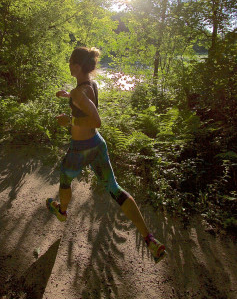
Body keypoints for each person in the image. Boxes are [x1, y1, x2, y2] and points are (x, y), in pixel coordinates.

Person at [46, 46, 166, 263]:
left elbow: (96, 119)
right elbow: (82, 100)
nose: (68, 66)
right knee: (115, 189)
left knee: (65, 180)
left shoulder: (79, 93)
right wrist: (68, 96)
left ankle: (62, 211)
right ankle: (149, 239)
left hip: (79, 151)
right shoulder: (89, 85)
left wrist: (69, 120)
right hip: (97, 145)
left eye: (70, 62)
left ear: (76, 65)